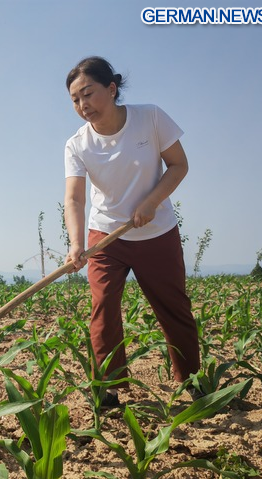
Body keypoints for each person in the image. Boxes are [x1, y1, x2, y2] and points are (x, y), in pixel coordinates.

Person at [63, 56, 201, 407]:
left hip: (157, 231)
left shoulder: (150, 118)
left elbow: (179, 165)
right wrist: (76, 243)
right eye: (75, 99)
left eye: (88, 93)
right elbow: (75, 199)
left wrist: (152, 201)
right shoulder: (77, 144)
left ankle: (193, 381)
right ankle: (108, 389)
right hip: (105, 235)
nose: (82, 105)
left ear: (111, 88)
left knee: (173, 306)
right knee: (103, 308)